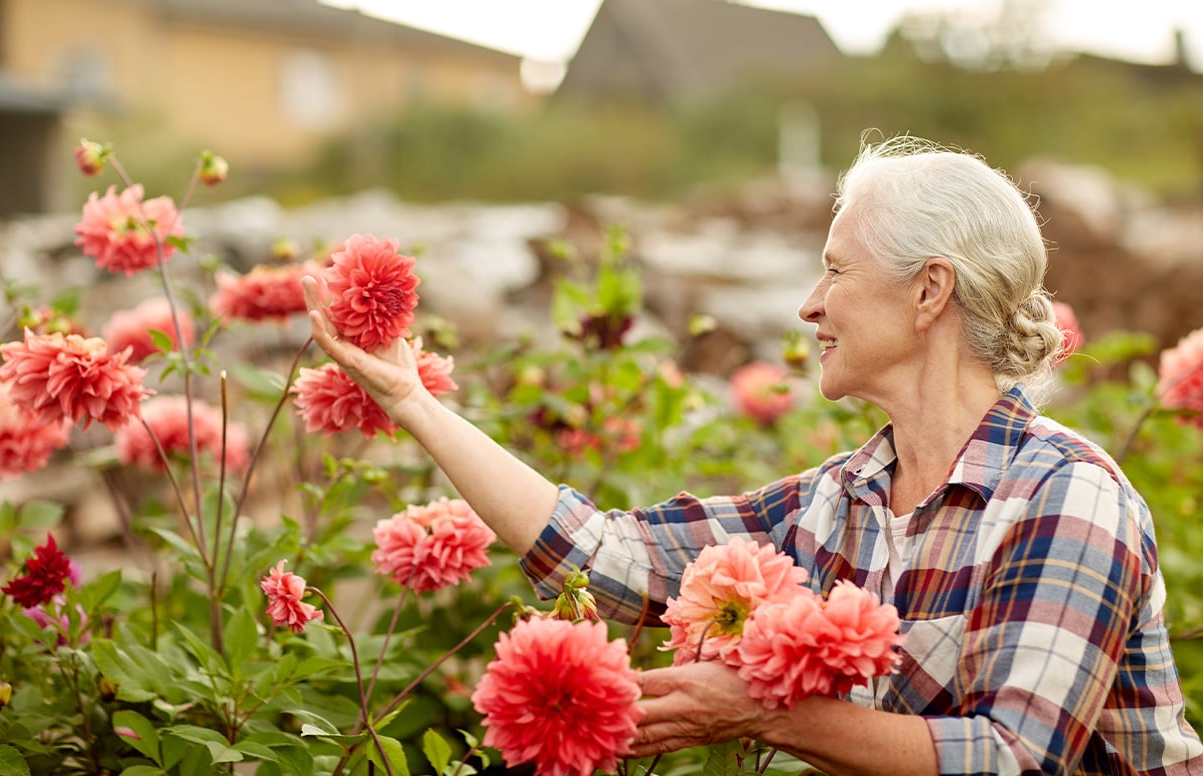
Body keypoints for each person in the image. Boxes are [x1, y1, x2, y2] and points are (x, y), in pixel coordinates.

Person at [302, 135, 1203, 775]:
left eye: (836, 271)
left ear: (931, 290)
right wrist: (409, 397)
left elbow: (1012, 761)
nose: (809, 305)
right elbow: (612, 558)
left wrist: (769, 711)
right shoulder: (845, 499)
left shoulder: (1068, 496)